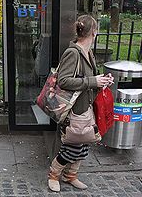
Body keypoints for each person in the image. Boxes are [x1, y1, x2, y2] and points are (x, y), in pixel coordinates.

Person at [48, 15, 114, 192]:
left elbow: (90, 79)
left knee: (84, 144)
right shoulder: (73, 52)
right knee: (72, 146)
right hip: (74, 108)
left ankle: (71, 176)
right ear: (94, 32)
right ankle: (54, 175)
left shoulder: (88, 53)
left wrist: (103, 81)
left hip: (87, 107)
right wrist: (92, 81)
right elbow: (63, 81)